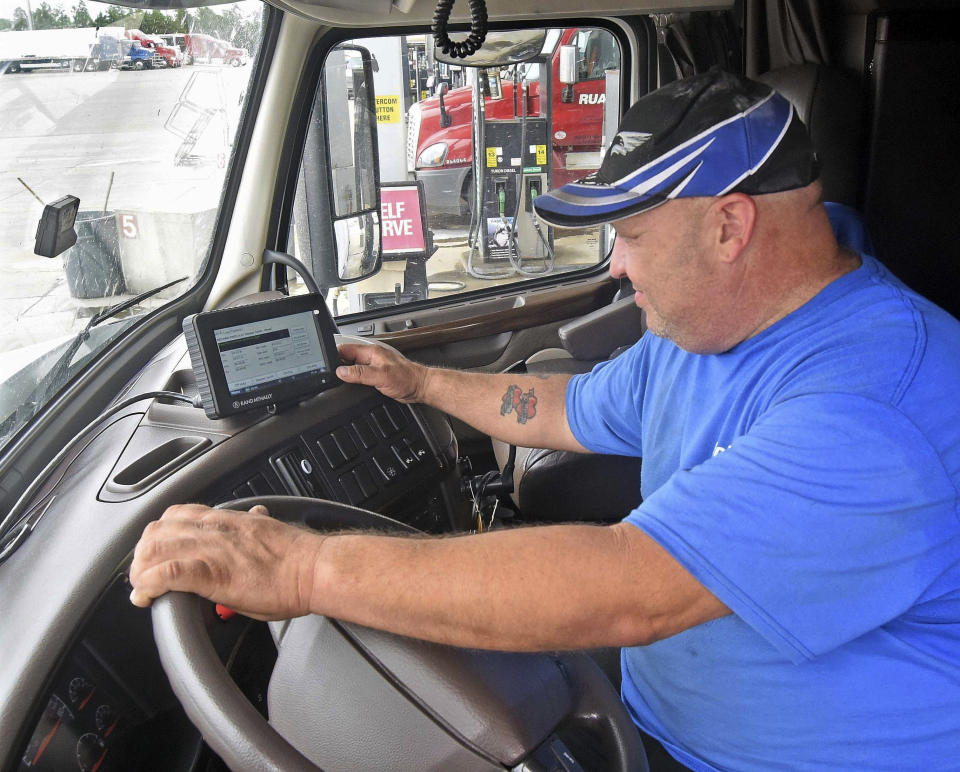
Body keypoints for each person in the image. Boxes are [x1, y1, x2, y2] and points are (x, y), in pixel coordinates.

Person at [129, 69, 960, 770]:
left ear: (730, 226)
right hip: (658, 711)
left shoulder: (876, 403)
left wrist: (306, 573)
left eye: (630, 235)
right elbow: (566, 406)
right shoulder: (719, 326)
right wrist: (419, 382)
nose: (619, 265)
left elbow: (630, 585)